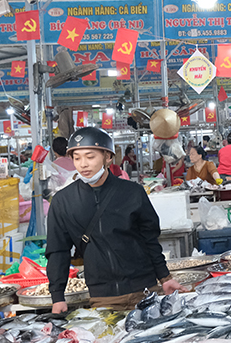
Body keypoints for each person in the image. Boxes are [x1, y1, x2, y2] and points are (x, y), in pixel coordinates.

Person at [45, 128, 183, 313]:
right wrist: (57, 297)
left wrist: (165, 278)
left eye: (90, 156)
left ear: (108, 157)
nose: (83, 164)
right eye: (77, 158)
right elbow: (58, 250)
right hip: (103, 297)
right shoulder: (63, 201)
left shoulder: (132, 192)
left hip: (145, 290)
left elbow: (150, 239)